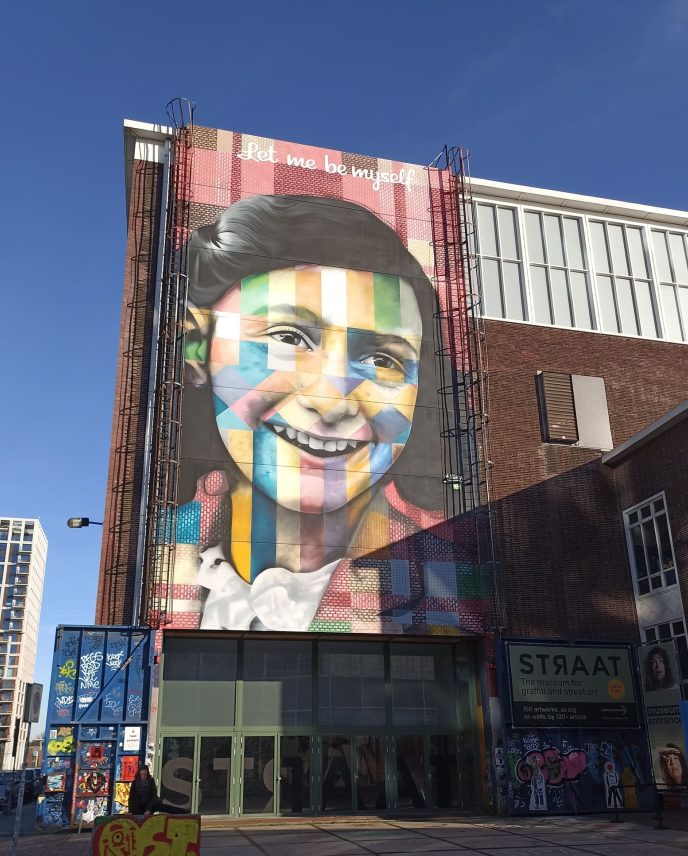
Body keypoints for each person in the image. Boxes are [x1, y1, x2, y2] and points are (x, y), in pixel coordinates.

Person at [168, 194, 482, 634]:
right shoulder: (161, 547)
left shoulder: (451, 572)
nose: (334, 401)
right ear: (198, 345)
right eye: (289, 337)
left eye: (381, 359)